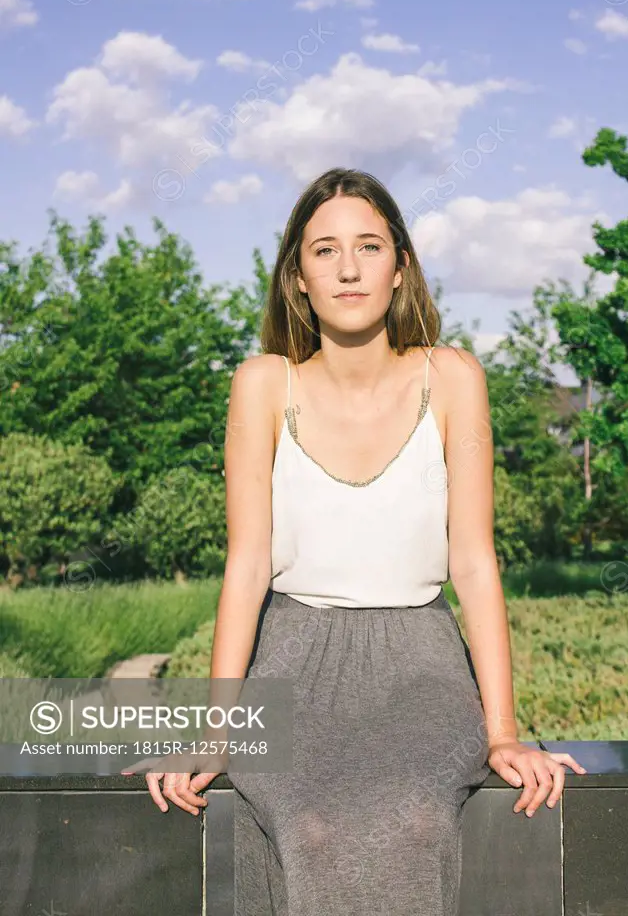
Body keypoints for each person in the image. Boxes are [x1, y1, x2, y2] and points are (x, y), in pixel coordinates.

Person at [132, 167, 586, 914]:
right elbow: (245, 569)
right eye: (325, 250)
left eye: (370, 247)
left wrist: (503, 734)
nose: (348, 267)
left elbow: (474, 563)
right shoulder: (261, 384)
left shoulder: (454, 378)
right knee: (306, 827)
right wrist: (215, 735)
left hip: (423, 670)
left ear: (400, 266)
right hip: (293, 666)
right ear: (297, 278)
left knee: (410, 820)